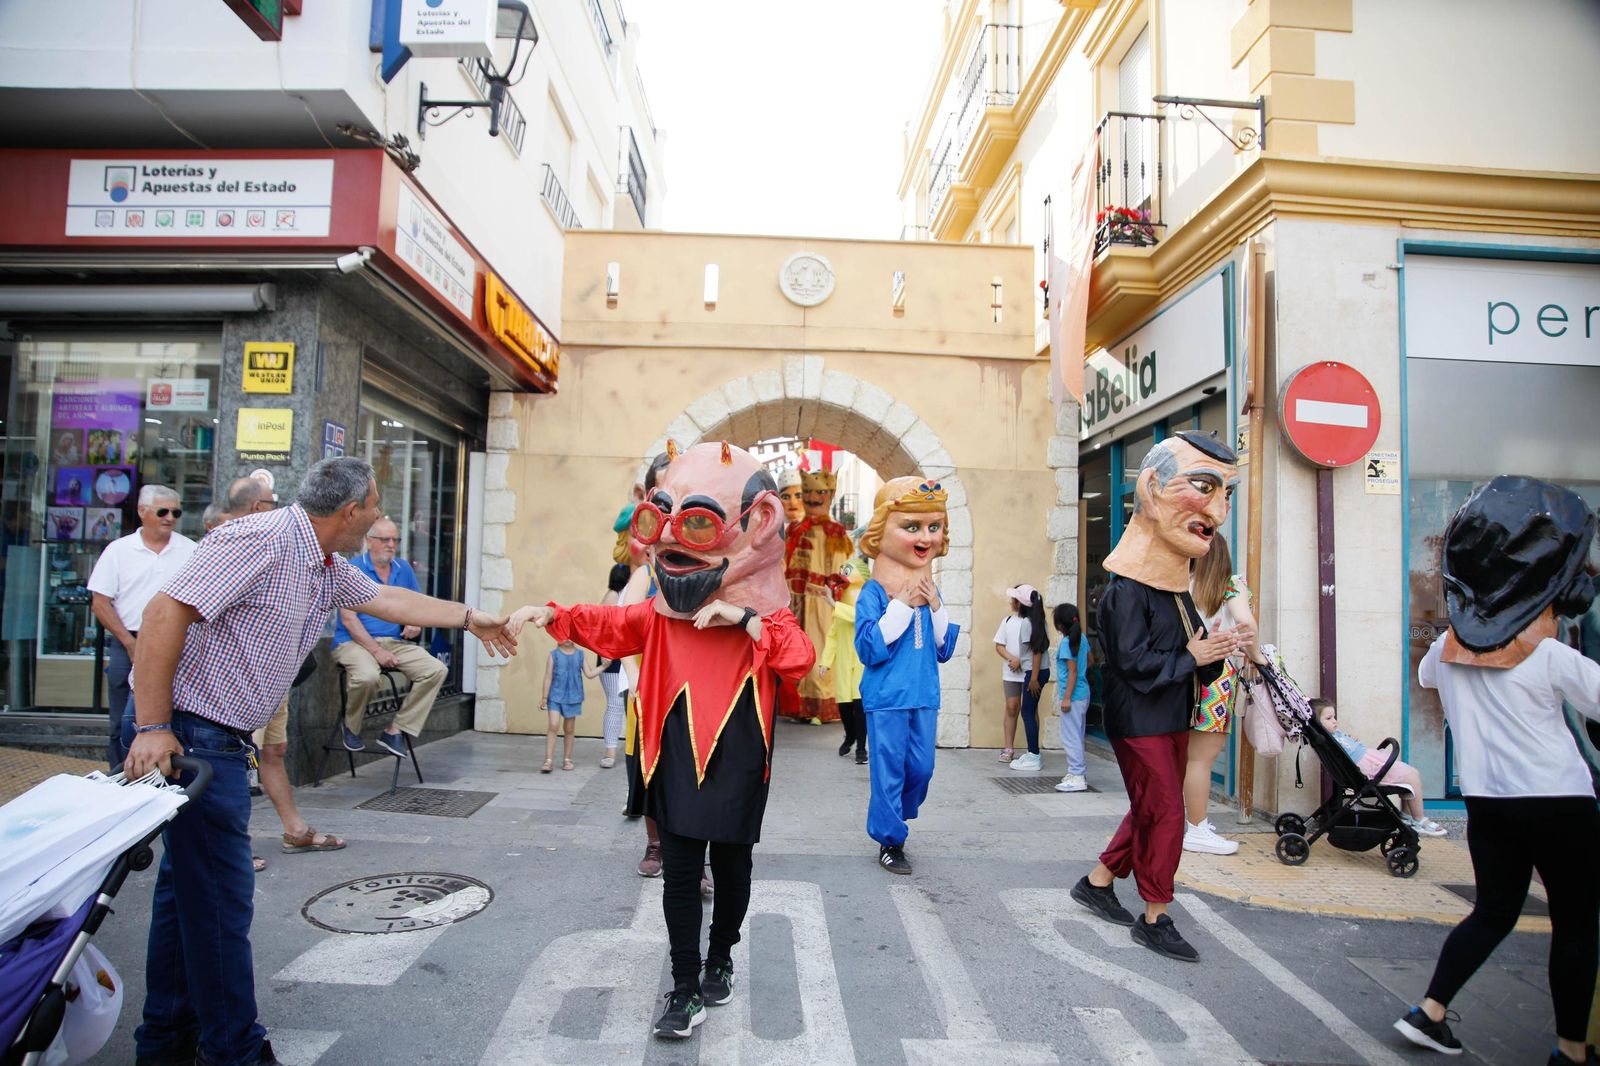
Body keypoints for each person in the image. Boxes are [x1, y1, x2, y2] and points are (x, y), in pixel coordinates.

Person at [123, 456, 516, 1066]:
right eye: (376, 506)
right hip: (193, 733)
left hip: (215, 734)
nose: (381, 516)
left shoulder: (325, 561)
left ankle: (166, 1040)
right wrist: (152, 726)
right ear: (351, 511)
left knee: (189, 896)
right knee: (221, 899)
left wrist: (469, 618)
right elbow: (162, 613)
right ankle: (234, 1052)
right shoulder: (260, 539)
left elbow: (388, 598)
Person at [509, 441, 813, 1040]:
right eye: (661, 519)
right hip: (671, 755)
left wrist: (744, 619)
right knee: (679, 874)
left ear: (757, 524)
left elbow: (799, 657)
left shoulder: (767, 615)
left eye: (698, 522)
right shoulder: (657, 613)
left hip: (738, 760)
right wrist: (552, 615)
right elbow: (611, 625)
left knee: (732, 869)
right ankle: (684, 986)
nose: (671, 539)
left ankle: (720, 958)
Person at [1393, 475, 1599, 1065]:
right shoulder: (1551, 655)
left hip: (1488, 804)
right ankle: (1570, 1049)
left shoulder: (1446, 652)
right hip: (1560, 802)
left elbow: (1428, 674)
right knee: (1577, 924)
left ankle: (1429, 1011)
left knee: (1492, 913)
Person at [1071, 431, 1245, 964]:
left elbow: (1188, 656)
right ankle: (1155, 914)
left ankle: (1098, 882)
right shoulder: (1125, 591)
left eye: (1227, 494)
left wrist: (1213, 653)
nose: (1218, 511)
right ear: (1151, 488)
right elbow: (1134, 666)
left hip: (1170, 717)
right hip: (1139, 721)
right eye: (1204, 487)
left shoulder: (1177, 592)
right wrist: (1193, 656)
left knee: (1152, 808)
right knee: (1166, 812)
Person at [855, 476, 959, 875]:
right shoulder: (873, 593)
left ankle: (896, 815)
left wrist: (935, 607)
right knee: (888, 772)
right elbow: (868, 647)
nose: (926, 537)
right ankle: (890, 839)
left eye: (934, 527)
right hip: (886, 697)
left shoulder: (931, 590)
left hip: (923, 694)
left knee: (921, 768)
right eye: (912, 527)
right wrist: (900, 604)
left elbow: (943, 649)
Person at [87, 484, 195, 768]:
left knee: (172, 718)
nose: (169, 518)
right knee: (121, 718)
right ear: (142, 511)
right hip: (128, 640)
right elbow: (100, 602)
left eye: (176, 513)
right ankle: (118, 777)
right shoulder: (119, 550)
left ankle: (163, 778)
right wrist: (130, 643)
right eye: (162, 512)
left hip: (178, 644)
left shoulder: (190, 550)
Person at [330, 516, 450, 759]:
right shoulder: (352, 568)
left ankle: (395, 730)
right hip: (353, 642)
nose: (391, 545)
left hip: (393, 642)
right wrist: (376, 651)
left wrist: (414, 622)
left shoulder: (402, 568)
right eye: (385, 540)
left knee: (436, 669)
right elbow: (349, 620)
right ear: (369, 540)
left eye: (395, 540)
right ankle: (351, 727)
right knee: (367, 676)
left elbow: (416, 606)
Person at [1181, 535, 1256, 856]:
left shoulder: (1181, 584)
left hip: (1184, 674)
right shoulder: (1230, 584)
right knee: (1201, 759)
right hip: (1216, 679)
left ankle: (1186, 823)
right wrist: (1257, 657)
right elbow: (1246, 623)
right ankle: (1197, 828)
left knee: (1185, 756)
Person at [1312, 698, 1445, 836]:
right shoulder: (1327, 740)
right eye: (1329, 718)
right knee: (1412, 775)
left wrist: (1350, 739)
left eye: (1334, 717)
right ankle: (1419, 819)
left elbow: (1345, 745)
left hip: (1371, 761)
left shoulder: (1333, 735)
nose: (1335, 721)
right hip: (1369, 769)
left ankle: (1406, 816)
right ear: (1317, 723)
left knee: (1408, 774)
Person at [782, 466, 851, 724]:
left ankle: (819, 706)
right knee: (795, 651)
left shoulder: (835, 531)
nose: (813, 497)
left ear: (830, 495)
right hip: (795, 601)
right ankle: (799, 705)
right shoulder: (794, 528)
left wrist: (836, 593)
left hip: (821, 601)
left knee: (819, 649)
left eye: (820, 492)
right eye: (809, 492)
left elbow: (842, 566)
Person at [821, 547, 869, 764]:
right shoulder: (841, 607)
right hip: (843, 663)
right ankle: (850, 735)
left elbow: (860, 617)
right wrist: (825, 662)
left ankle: (860, 747)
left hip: (860, 662)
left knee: (860, 706)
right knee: (844, 707)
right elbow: (833, 635)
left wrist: (834, 604)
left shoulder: (865, 601)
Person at [995, 584, 1049, 770]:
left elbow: (1036, 652)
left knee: (1028, 712)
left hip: (1031, 673)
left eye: (1015, 599)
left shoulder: (1029, 623)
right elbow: (1000, 645)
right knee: (1020, 709)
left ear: (1021, 603)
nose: (1011, 602)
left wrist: (1033, 677)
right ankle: (1025, 751)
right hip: (1028, 672)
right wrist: (1013, 660)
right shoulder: (1019, 621)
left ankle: (1033, 754)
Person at [541, 636, 597, 772]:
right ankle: (548, 760)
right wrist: (544, 697)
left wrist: (604, 666)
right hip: (555, 696)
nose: (567, 638)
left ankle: (567, 759)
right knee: (553, 725)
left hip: (573, 697)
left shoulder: (580, 654)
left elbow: (589, 673)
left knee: (569, 729)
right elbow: (548, 677)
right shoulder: (554, 655)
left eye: (570, 635)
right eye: (563, 635)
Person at [1053, 602, 1091, 793]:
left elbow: (1072, 672)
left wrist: (1067, 698)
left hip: (1073, 697)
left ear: (1060, 624)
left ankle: (1077, 774)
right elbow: (1090, 660)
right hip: (1083, 693)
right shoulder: (1082, 638)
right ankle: (1076, 772)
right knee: (1077, 735)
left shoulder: (1067, 643)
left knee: (1070, 737)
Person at [597, 563, 631, 768]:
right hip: (611, 655)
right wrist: (604, 653)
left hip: (623, 653)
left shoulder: (625, 594)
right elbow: (601, 627)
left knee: (625, 703)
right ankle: (610, 752)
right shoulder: (613, 596)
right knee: (615, 703)